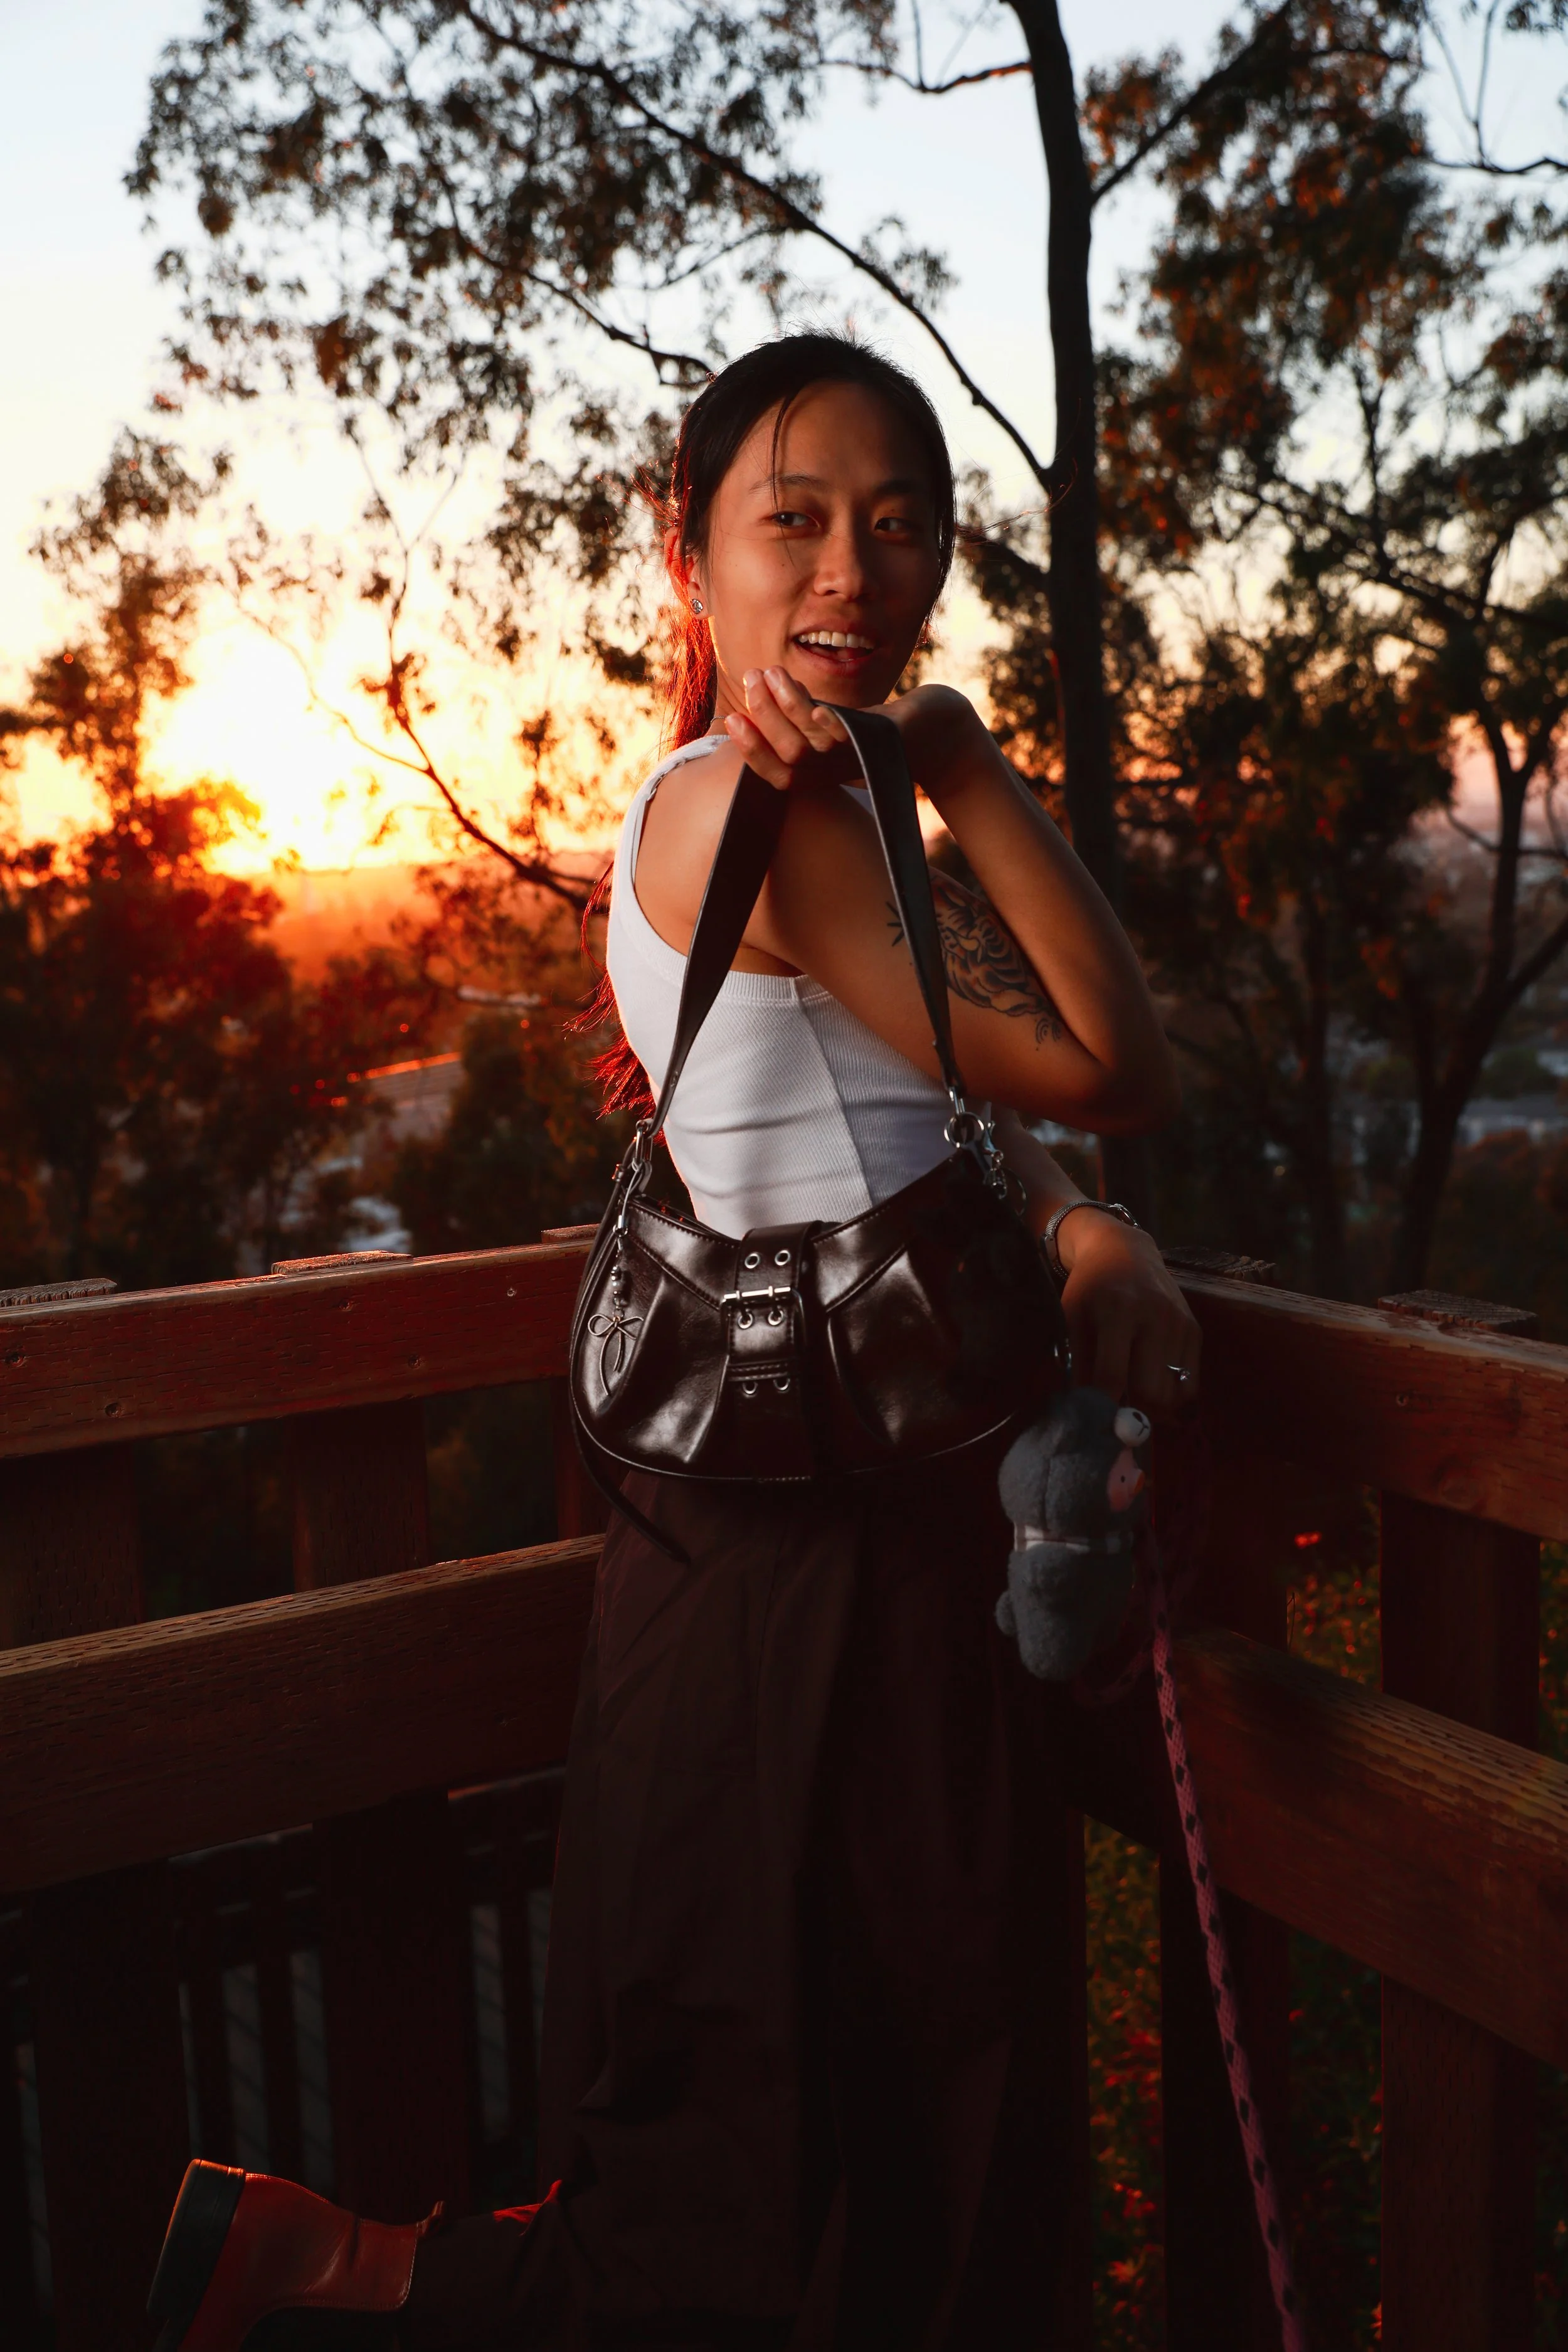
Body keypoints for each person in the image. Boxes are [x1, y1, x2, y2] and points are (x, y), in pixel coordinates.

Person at [149, 334, 1199, 2352]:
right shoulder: (784, 815)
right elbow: (1110, 1057)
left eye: (898, 526)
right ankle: (329, 2270)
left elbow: (897, 1128)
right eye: (790, 519)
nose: (851, 571)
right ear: (688, 551)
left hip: (752, 1556)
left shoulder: (710, 795)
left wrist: (1079, 1221)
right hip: (839, 1569)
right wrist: (970, 765)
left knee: (779, 2140)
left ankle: (325, 2267)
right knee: (851, 2157)